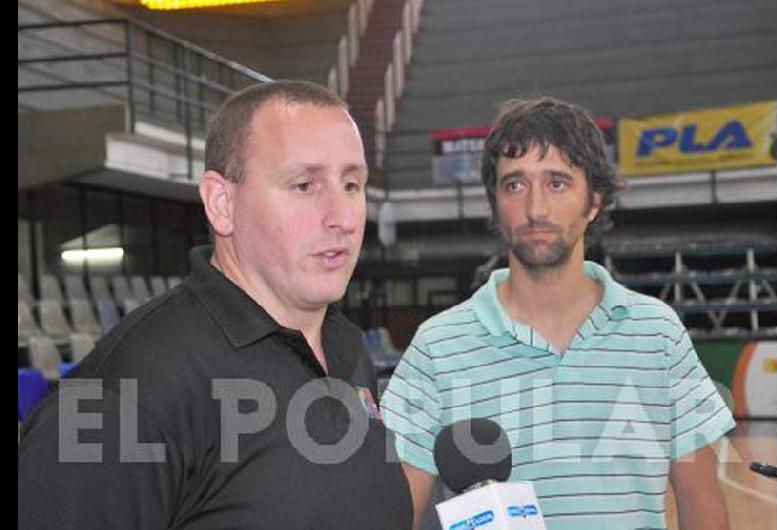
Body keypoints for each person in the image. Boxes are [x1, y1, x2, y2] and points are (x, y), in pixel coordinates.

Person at [19, 80, 412, 529]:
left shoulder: (347, 349)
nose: (342, 217)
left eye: (351, 184)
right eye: (304, 185)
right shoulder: (126, 393)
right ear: (221, 203)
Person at [380, 97, 734, 530]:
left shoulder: (657, 333)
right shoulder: (437, 345)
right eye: (515, 185)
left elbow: (703, 509)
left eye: (557, 183)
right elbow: (399, 517)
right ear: (495, 202)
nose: (535, 209)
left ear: (594, 203)